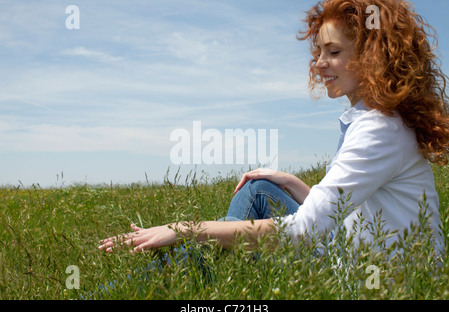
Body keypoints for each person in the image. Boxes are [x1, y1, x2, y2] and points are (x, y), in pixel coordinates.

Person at [98, 0, 449, 258]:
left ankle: (199, 265)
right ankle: (211, 264)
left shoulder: (378, 130)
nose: (319, 63)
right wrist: (290, 181)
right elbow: (342, 214)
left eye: (333, 52)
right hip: (355, 255)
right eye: (319, 51)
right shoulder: (377, 120)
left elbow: (302, 233)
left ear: (372, 56)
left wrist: (185, 229)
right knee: (261, 188)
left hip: (370, 281)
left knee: (209, 235)